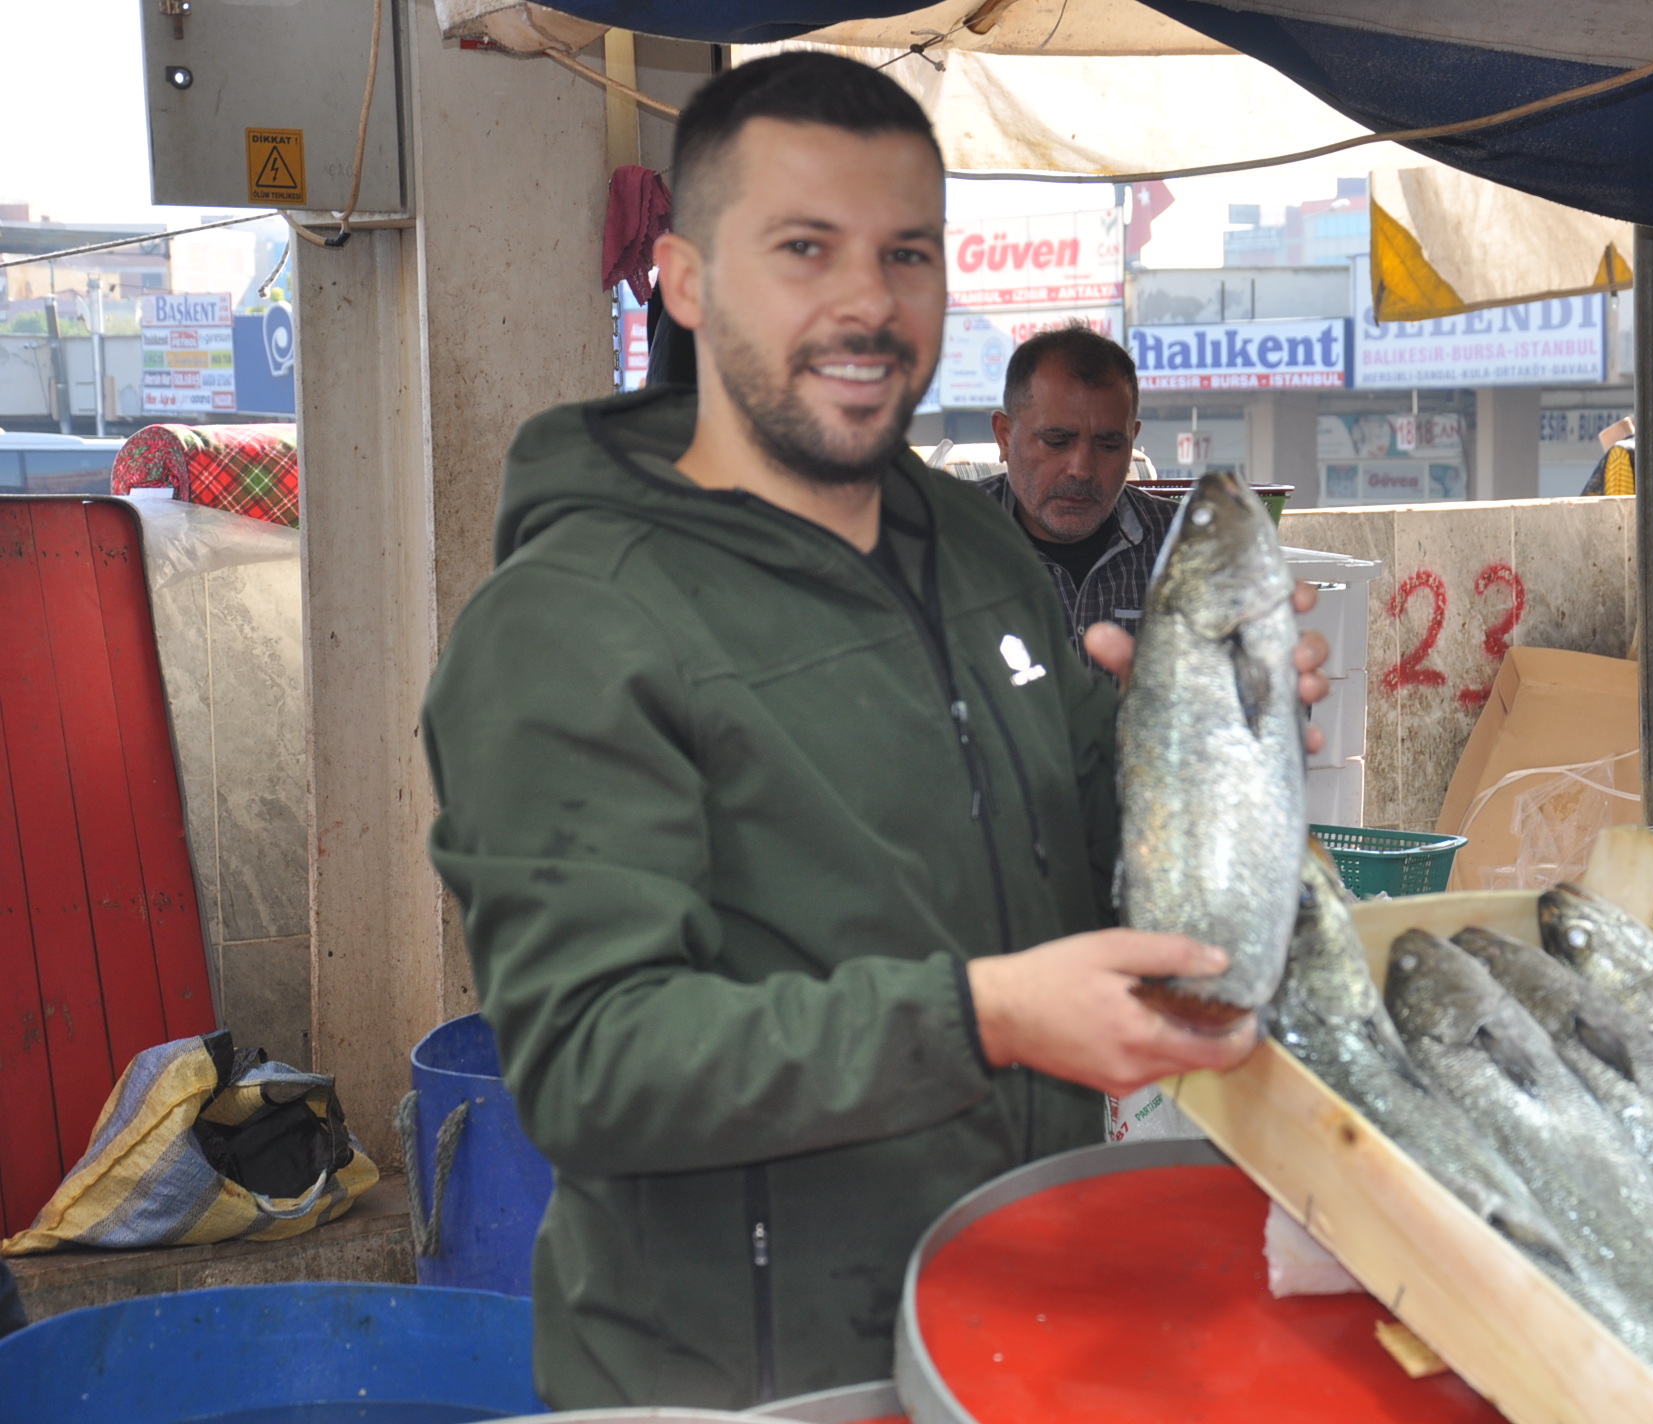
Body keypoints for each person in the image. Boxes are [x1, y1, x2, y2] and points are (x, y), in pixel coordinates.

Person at [421, 53, 1329, 1412]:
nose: (866, 302)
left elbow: (1091, 863)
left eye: (906, 252)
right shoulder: (567, 623)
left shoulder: (974, 550)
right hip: (744, 1383)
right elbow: (594, 1064)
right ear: (681, 278)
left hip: (1009, 1310)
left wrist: (1204, 743)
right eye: (804, 248)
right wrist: (988, 1017)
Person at [977, 326, 1178, 666]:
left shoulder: (1181, 550)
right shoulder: (944, 542)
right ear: (1005, 436)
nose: (1081, 469)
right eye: (1057, 442)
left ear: (1132, 439)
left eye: (1109, 445)